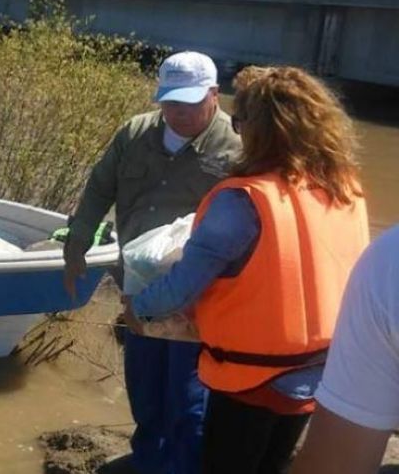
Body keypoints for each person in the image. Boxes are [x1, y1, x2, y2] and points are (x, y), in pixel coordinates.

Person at [123, 66, 370, 474]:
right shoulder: (346, 190)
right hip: (316, 373)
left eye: (239, 122)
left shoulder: (242, 202)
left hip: (249, 380)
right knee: (273, 464)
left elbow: (181, 288)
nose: (236, 131)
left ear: (257, 129)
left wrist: (138, 310)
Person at [64, 51, 241, 474]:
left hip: (197, 296)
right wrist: (77, 244)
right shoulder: (136, 133)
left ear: (214, 95)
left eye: (189, 102)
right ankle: (148, 460)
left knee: (188, 395)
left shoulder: (237, 146)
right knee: (144, 387)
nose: (177, 112)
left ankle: (182, 465)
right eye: (169, 101)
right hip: (137, 286)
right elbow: (98, 188)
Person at [289, 226, 399, 474]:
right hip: (312, 367)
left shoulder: (389, 259)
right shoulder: (347, 199)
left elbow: (334, 465)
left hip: (251, 373)